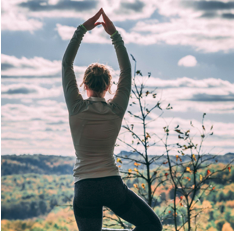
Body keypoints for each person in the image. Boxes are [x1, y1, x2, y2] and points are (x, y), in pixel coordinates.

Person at [62, 7, 163, 231]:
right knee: (152, 226)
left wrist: (81, 30)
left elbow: (66, 64)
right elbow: (126, 70)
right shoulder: (116, 109)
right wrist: (114, 35)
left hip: (84, 188)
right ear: (109, 87)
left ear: (83, 85)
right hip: (111, 184)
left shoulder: (76, 107)